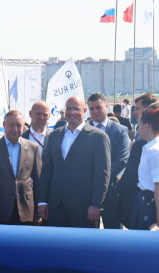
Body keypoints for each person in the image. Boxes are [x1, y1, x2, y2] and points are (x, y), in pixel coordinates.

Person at [36, 95, 110, 228]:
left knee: (83, 247)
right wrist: (42, 201)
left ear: (84, 110)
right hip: (56, 206)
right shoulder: (54, 136)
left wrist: (96, 204)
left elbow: (102, 175)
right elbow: (46, 170)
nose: (71, 112)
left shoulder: (98, 137)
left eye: (76, 109)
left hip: (84, 208)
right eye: (68, 109)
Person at [0, 109, 41, 224]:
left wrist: (38, 211)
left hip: (26, 211)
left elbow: (38, 181)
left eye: (19, 125)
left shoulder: (33, 148)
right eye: (11, 125)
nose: (15, 129)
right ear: (4, 125)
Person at [86, 93, 130, 230]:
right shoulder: (82, 130)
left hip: (111, 193)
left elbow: (122, 160)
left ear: (106, 106)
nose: (95, 111)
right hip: (87, 192)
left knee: (114, 237)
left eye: (98, 107)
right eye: (91, 109)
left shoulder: (120, 130)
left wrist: (101, 178)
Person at [130, 108, 159, 230]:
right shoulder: (153, 148)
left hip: (151, 204)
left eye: (139, 125)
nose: (138, 129)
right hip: (147, 201)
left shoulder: (155, 151)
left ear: (146, 126)